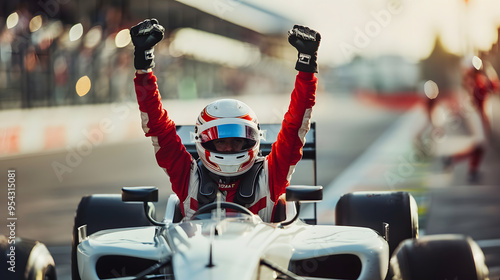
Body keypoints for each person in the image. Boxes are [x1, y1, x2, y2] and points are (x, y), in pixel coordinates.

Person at [130, 19, 321, 222]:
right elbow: (158, 126)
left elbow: (295, 127)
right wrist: (144, 66)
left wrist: (306, 67)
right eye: (221, 141)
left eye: (237, 140)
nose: (229, 148)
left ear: (252, 140)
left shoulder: (271, 175)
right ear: (205, 141)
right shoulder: (187, 176)